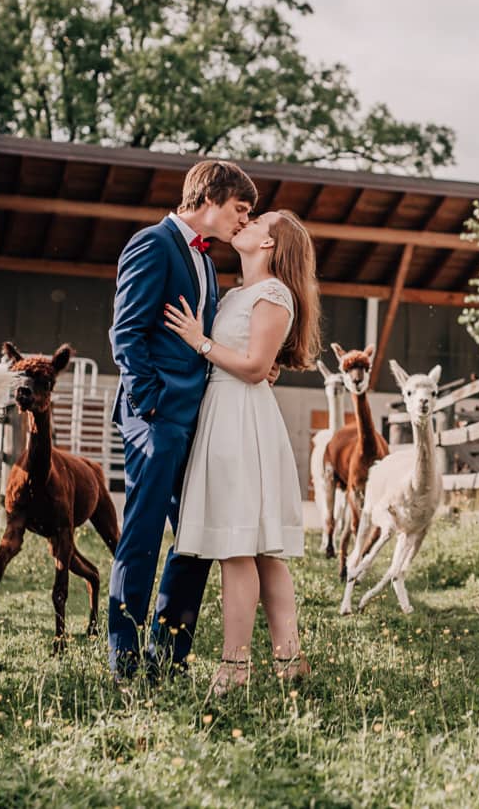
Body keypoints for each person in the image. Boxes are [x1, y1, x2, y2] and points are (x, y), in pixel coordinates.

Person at [107, 159, 257, 680]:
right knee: (143, 535)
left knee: (196, 538)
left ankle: (167, 656)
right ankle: (123, 661)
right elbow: (126, 333)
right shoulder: (153, 244)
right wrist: (151, 405)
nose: (244, 221)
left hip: (197, 423)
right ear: (211, 198)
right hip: (156, 418)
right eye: (241, 209)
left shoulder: (208, 264)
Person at [164, 209, 321, 694]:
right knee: (257, 551)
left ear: (269, 245)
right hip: (223, 414)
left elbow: (254, 367)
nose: (246, 223)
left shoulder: (275, 295)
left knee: (242, 549)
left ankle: (235, 666)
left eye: (259, 222)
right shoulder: (238, 294)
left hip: (242, 421)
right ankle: (290, 662)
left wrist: (200, 342)